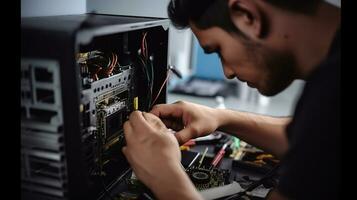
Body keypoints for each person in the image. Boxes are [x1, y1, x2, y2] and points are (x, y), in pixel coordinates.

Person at [121, 0, 340, 199]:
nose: (227, 72)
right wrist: (219, 117)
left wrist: (165, 178)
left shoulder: (329, 93)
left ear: (246, 15)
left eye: (217, 50)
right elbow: (312, 140)